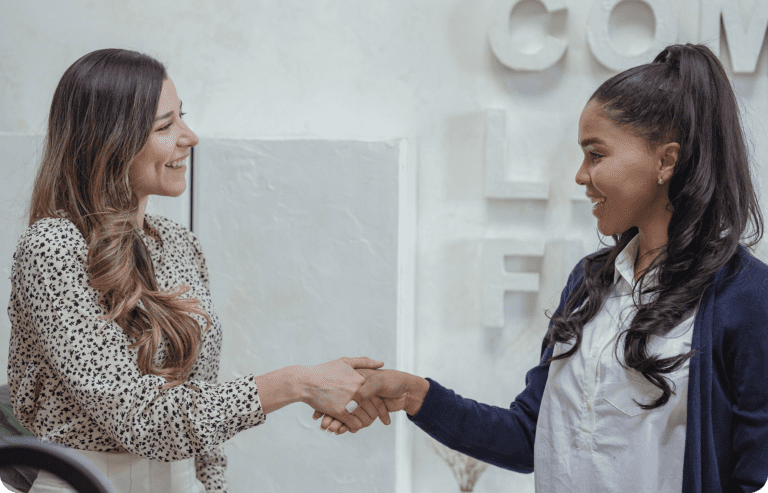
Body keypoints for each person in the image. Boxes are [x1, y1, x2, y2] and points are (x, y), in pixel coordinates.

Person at [324, 43, 768, 492]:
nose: (580, 175)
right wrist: (414, 394)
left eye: (596, 155)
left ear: (665, 161)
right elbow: (527, 438)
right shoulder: (589, 283)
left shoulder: (746, 295)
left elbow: (753, 473)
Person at [6, 48, 389, 493]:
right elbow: (140, 420)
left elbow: (198, 402)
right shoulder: (53, 247)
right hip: (83, 482)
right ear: (109, 141)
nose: (190, 137)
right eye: (164, 126)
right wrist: (297, 383)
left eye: (182, 118)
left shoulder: (179, 243)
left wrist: (212, 486)